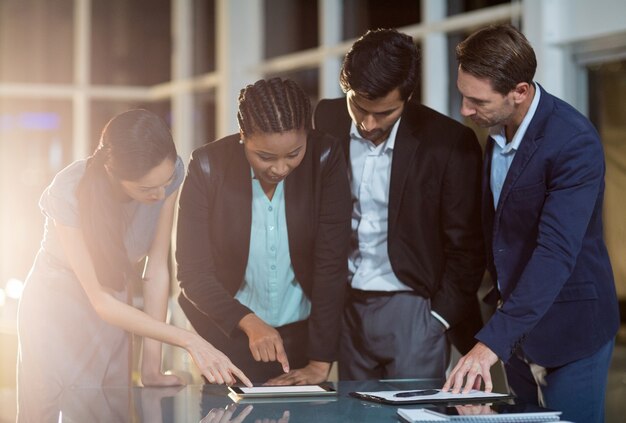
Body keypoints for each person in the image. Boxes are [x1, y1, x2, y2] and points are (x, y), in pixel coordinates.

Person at [17, 109, 250, 423]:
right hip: (56, 308)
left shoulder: (169, 178)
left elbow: (155, 272)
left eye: (166, 183)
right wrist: (189, 339)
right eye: (145, 189)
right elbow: (99, 300)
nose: (159, 193)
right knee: (45, 412)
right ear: (113, 173)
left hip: (116, 306)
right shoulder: (69, 189)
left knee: (111, 409)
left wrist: (151, 368)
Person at [443, 24, 620, 423]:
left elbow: (555, 252)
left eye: (476, 101)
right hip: (517, 330)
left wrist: (491, 344)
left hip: (573, 329)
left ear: (519, 92)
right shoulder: (497, 125)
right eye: (463, 95)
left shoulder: (574, 142)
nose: (465, 111)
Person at [313, 28, 485, 381]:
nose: (367, 123)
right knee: (353, 416)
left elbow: (467, 245)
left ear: (407, 99)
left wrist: (437, 318)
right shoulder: (325, 120)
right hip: (346, 306)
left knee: (412, 416)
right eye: (358, 106)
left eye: (384, 113)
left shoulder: (450, 143)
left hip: (415, 306)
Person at [176, 78, 351, 384]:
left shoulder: (325, 157)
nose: (280, 168)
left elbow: (331, 263)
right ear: (243, 136)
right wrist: (247, 321)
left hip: (304, 334)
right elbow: (193, 274)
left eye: (293, 154)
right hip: (226, 333)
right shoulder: (206, 166)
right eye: (266, 157)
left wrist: (320, 362)